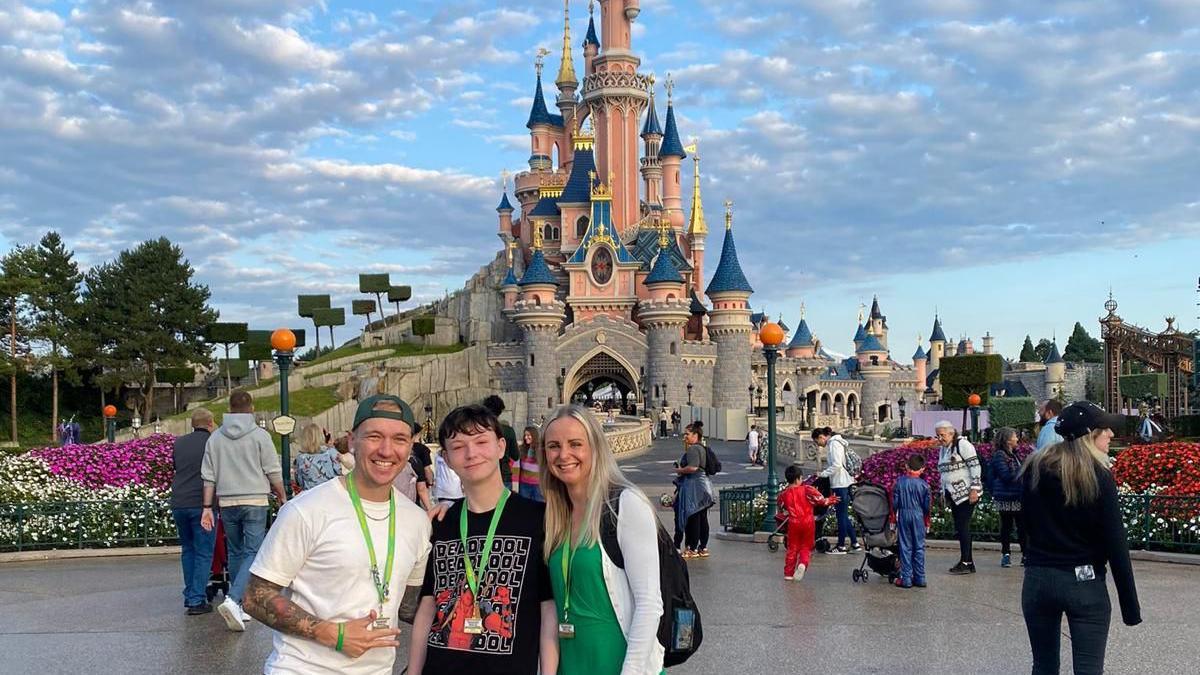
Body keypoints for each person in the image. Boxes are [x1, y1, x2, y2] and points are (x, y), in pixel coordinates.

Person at [242, 394, 432, 674]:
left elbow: (407, 608)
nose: (386, 450)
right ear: (352, 440)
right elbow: (255, 597)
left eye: (400, 439)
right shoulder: (306, 510)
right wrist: (333, 634)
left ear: (411, 446)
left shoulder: (417, 520)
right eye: (375, 437)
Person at [408, 404, 557, 675]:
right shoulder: (441, 523)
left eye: (481, 441)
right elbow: (428, 606)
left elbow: (547, 609)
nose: (471, 453)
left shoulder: (538, 518)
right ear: (447, 458)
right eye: (458, 446)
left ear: (501, 447)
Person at [541, 404, 665, 674]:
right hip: (571, 664)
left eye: (575, 444)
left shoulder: (625, 504)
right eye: (553, 446)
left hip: (618, 663)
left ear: (595, 447)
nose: (564, 455)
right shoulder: (554, 515)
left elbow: (649, 604)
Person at [1020, 401, 1141, 674]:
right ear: (1089, 435)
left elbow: (1024, 525)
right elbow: (1115, 543)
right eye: (1104, 429)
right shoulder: (1098, 475)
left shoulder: (1033, 469)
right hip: (1084, 582)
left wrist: (1034, 559)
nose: (1111, 434)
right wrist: (1130, 607)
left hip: (1039, 580)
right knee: (1088, 668)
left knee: (1043, 666)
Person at [200, 390, 287, 631]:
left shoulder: (215, 438)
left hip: (227, 500)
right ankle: (235, 599)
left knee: (236, 551)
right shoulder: (260, 436)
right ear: (251, 407)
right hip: (255, 499)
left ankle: (239, 604)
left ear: (229, 407)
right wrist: (281, 495)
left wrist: (207, 507)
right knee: (253, 551)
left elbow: (208, 476)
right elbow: (272, 470)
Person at [171, 408, 218, 615]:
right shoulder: (213, 443)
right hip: (202, 504)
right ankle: (196, 599)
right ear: (210, 423)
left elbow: (175, 466)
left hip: (179, 501)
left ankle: (191, 592)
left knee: (188, 549)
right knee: (203, 552)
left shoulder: (179, 442)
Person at [934, 420, 982, 575]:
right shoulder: (944, 449)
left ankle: (966, 562)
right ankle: (967, 561)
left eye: (942, 435)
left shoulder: (963, 445)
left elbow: (975, 466)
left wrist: (974, 489)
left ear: (951, 433)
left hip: (966, 494)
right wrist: (943, 492)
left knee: (963, 527)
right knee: (960, 527)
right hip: (954, 495)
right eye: (938, 435)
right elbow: (944, 473)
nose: (940, 438)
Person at [777, 465, 839, 581]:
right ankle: (802, 563)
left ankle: (788, 573)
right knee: (806, 546)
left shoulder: (784, 495)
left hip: (793, 523)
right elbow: (820, 500)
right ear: (798, 479)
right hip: (808, 521)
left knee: (792, 548)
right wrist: (830, 500)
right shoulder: (806, 489)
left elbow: (782, 509)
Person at [813, 427, 859, 554]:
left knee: (841, 516)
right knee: (843, 515)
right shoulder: (839, 443)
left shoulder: (833, 444)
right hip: (846, 481)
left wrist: (823, 474)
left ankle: (841, 546)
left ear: (821, 437)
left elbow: (836, 465)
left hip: (840, 483)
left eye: (817, 442)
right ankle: (855, 543)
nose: (818, 445)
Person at [674, 422, 714, 559]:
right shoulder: (702, 448)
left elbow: (693, 468)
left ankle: (692, 548)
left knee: (693, 517)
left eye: (687, 434)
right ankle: (703, 547)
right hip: (704, 485)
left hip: (694, 486)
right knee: (702, 518)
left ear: (695, 435)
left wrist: (679, 470)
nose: (685, 436)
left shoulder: (693, 449)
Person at [892, 454, 931, 589]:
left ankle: (906, 578)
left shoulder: (900, 482)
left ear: (907, 466)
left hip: (904, 513)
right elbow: (927, 507)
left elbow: (895, 503)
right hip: (918, 515)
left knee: (905, 546)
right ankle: (920, 577)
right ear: (922, 469)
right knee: (919, 546)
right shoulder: (924, 485)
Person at [990, 426, 1026, 567]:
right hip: (1006, 497)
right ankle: (1006, 554)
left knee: (1021, 526)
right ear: (1007, 440)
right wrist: (1023, 471)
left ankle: (1025, 554)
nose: (1017, 438)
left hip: (1016, 495)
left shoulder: (1014, 455)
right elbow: (1005, 476)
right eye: (1014, 436)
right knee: (1007, 525)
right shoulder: (1000, 455)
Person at [482, 395, 520, 490]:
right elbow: (516, 456)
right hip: (504, 474)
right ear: (500, 411)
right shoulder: (508, 431)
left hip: (485, 474)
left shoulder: (481, 430)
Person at [293, 422, 341, 492]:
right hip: (330, 492)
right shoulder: (331, 452)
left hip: (310, 496)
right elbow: (339, 472)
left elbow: (299, 481)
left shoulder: (300, 458)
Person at [513, 425, 544, 502]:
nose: (526, 437)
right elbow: (516, 467)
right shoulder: (521, 448)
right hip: (524, 484)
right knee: (524, 507)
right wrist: (515, 484)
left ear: (534, 436)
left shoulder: (541, 449)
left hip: (538, 485)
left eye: (528, 435)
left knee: (538, 509)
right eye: (525, 435)